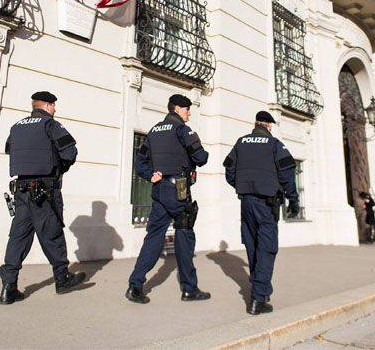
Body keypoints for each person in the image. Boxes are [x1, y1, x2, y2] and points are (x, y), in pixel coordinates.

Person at [0, 91, 85, 304]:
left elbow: (10, 150)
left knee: (19, 236)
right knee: (52, 233)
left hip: (22, 190)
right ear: (46, 105)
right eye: (53, 106)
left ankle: (9, 287)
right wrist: (58, 168)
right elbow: (70, 153)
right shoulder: (50, 125)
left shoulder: (17, 126)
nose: (55, 110)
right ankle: (62, 278)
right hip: (45, 190)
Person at [126, 94, 210, 304]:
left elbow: (140, 161)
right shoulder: (183, 130)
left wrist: (149, 175)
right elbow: (202, 158)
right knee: (185, 236)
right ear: (178, 109)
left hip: (159, 190)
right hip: (179, 192)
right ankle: (189, 289)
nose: (189, 113)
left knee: (154, 237)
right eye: (187, 109)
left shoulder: (154, 131)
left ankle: (135, 285)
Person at [223, 111, 299, 315]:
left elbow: (229, 170)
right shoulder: (274, 144)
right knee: (267, 248)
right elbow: (287, 173)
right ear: (268, 125)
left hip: (246, 202)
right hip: (267, 204)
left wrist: (243, 187)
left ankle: (261, 289)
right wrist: (293, 199)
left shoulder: (241, 142)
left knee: (252, 244)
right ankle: (258, 298)